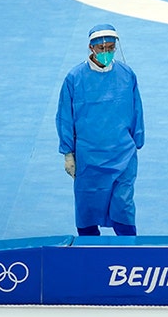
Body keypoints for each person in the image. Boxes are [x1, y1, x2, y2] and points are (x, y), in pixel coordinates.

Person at [56, 24, 145, 236]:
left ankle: (128, 254)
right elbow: (65, 118)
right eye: (102, 48)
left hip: (122, 154)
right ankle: (90, 255)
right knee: (88, 206)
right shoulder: (75, 79)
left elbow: (137, 109)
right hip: (89, 159)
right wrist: (68, 153)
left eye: (110, 47)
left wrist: (137, 139)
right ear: (91, 48)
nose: (107, 52)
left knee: (123, 204)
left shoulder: (126, 75)